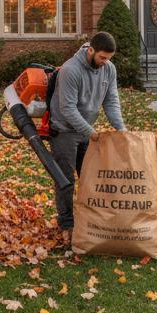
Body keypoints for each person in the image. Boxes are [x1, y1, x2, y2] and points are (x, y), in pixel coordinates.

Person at [51, 31, 125, 245]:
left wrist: (121, 129)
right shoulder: (70, 70)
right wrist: (91, 133)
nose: (105, 63)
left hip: (86, 131)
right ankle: (67, 225)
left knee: (91, 178)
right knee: (65, 181)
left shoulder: (108, 69)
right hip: (63, 131)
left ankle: (89, 221)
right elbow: (67, 109)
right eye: (102, 57)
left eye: (109, 59)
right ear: (90, 50)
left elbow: (111, 101)